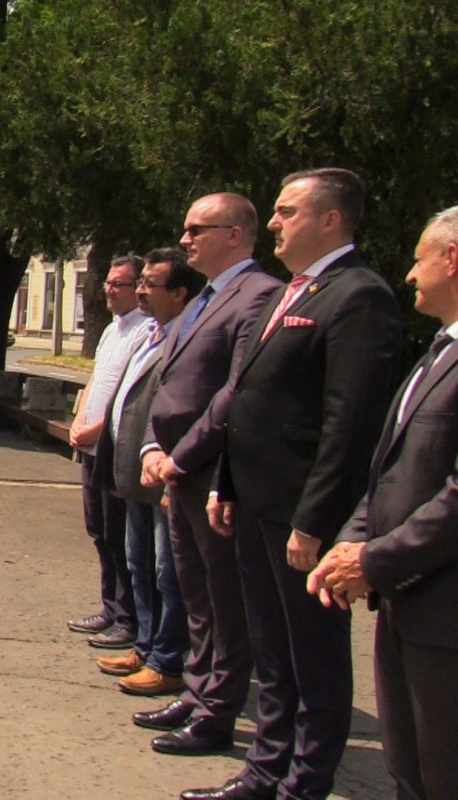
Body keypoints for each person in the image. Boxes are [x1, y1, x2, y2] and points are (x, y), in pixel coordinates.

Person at [189, 169, 402, 800]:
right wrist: (225, 484)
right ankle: (265, 769)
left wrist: (315, 522)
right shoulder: (289, 293)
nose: (274, 223)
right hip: (253, 503)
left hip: (302, 516)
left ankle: (304, 782)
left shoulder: (358, 296)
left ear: (331, 220)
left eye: (286, 212)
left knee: (313, 655)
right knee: (272, 651)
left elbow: (350, 422)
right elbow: (248, 400)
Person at [307, 206, 458, 800]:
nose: (410, 274)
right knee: (412, 771)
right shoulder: (439, 351)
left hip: (443, 609)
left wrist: (373, 561)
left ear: (453, 259)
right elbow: (393, 469)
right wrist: (354, 538)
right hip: (408, 600)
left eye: (420, 259)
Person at [136, 193, 281, 756]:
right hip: (177, 471)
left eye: (200, 228)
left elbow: (234, 392)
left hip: (212, 472)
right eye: (187, 227)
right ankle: (196, 693)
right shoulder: (204, 300)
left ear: (237, 235)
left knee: (224, 598)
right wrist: (153, 444)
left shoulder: (257, 296)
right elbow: (167, 384)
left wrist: (183, 456)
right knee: (194, 591)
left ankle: (218, 709)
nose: (187, 237)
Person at [94, 248, 203, 696]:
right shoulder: (148, 334)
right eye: (138, 283)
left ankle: (167, 658)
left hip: (163, 475)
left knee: (166, 572)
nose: (140, 290)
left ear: (179, 293)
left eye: (149, 285)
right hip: (135, 470)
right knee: (138, 564)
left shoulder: (187, 337)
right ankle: (145, 644)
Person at [66, 255, 148, 650]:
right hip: (92, 447)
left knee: (120, 536)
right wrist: (79, 422)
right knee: (98, 530)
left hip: (116, 449)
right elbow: (97, 380)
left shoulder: (146, 331)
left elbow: (130, 395)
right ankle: (110, 608)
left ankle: (129, 617)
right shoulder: (111, 332)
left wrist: (98, 429)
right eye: (109, 284)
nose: (110, 290)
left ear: (140, 287)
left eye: (120, 284)